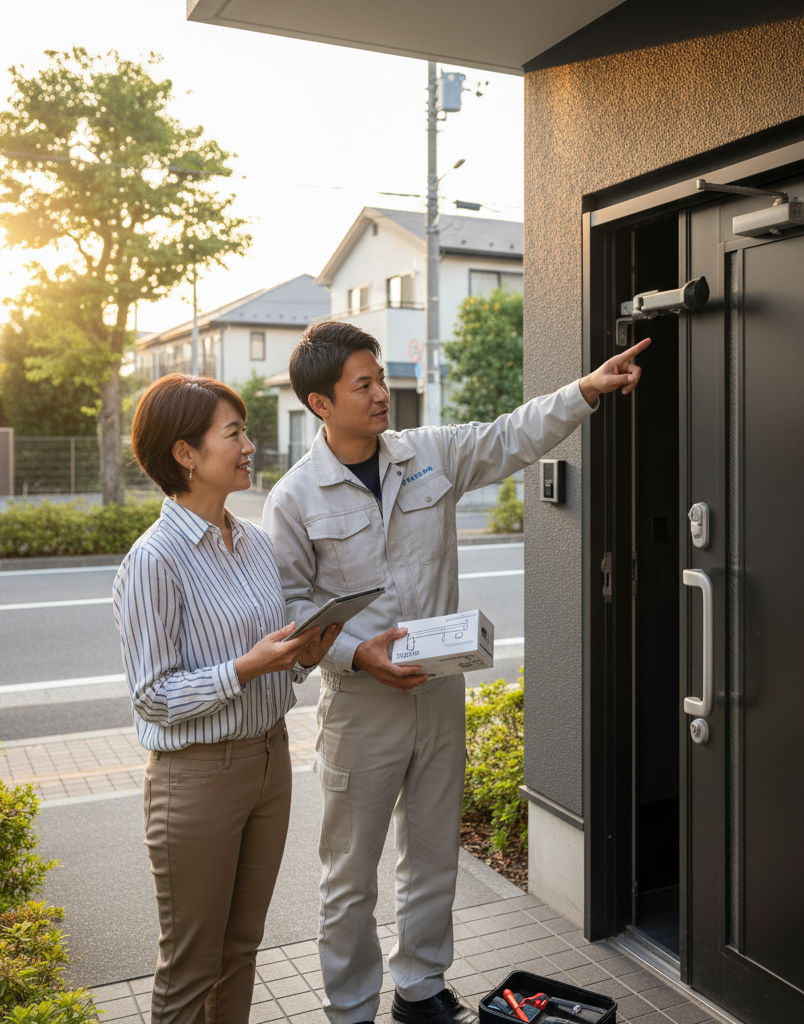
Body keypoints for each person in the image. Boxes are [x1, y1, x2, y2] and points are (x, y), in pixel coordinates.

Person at [263, 321, 649, 1024]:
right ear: (321, 404)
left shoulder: (427, 454)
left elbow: (511, 435)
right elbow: (288, 609)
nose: (384, 394)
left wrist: (587, 389)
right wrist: (359, 652)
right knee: (350, 873)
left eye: (381, 378)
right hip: (359, 706)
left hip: (439, 690)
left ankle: (420, 989)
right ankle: (350, 1009)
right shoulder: (293, 499)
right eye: (365, 384)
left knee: (435, 853)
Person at [113, 373, 341, 1024]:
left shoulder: (255, 544)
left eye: (244, 432)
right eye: (233, 433)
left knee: (241, 950)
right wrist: (245, 668)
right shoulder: (153, 560)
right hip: (196, 781)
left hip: (270, 763)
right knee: (190, 968)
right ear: (185, 454)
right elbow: (152, 696)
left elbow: (272, 661)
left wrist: (303, 655)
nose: (249, 446)